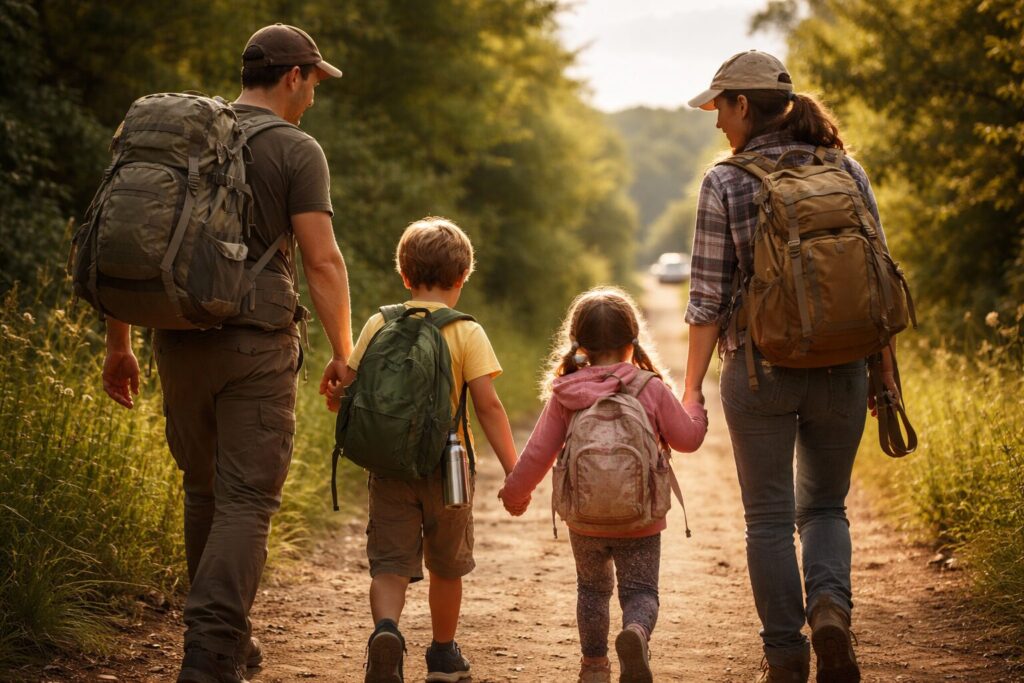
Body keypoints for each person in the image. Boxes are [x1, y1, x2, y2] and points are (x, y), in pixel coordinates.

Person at [100, 24, 352, 683]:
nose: (315, 97)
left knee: (202, 488)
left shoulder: (187, 139)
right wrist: (343, 351)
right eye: (314, 83)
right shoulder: (297, 150)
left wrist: (119, 341)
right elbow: (323, 263)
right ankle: (210, 656)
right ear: (294, 76)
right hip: (254, 346)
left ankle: (228, 641)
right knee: (247, 499)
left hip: (175, 338)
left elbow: (134, 238)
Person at [684, 50, 901, 683]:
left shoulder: (725, 182)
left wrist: (691, 388)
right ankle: (830, 609)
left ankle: (784, 656)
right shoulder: (847, 168)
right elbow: (878, 281)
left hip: (760, 371)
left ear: (743, 106)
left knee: (770, 518)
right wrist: (884, 372)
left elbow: (705, 300)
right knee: (827, 508)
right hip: (845, 365)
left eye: (719, 108)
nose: (716, 123)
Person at [326, 217, 519, 683]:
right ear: (461, 278)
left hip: (389, 467)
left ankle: (386, 632)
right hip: (447, 468)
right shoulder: (466, 331)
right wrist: (516, 470)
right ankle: (442, 654)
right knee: (446, 566)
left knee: (390, 563)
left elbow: (349, 391)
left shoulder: (379, 322)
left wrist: (335, 396)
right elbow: (489, 408)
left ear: (405, 274)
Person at [498, 287, 708, 683]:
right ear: (633, 342)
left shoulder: (567, 393)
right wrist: (694, 402)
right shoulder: (649, 388)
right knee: (641, 591)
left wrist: (515, 494)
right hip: (641, 518)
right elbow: (688, 439)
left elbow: (538, 453)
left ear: (579, 345)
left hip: (586, 518)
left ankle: (594, 667)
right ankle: (635, 634)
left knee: (592, 591)